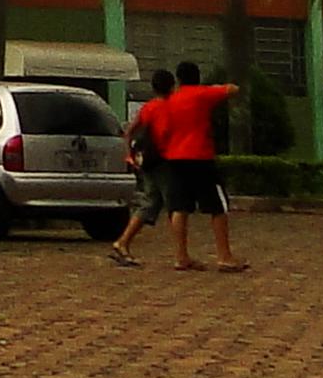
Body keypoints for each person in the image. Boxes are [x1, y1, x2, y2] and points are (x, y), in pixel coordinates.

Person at [151, 58, 245, 272]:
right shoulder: (203, 94)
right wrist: (213, 87)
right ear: (197, 76)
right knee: (217, 207)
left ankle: (181, 256)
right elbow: (233, 89)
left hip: (175, 158)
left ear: (179, 79)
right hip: (201, 158)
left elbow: (163, 132)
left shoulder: (171, 100)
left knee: (179, 208)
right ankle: (224, 256)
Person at [105, 67, 175, 265]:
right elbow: (165, 136)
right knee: (174, 205)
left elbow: (130, 131)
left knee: (151, 202)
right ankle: (181, 253)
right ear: (172, 86)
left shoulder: (149, 107)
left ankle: (123, 242)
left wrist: (129, 155)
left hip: (148, 161)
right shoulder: (169, 107)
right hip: (164, 162)